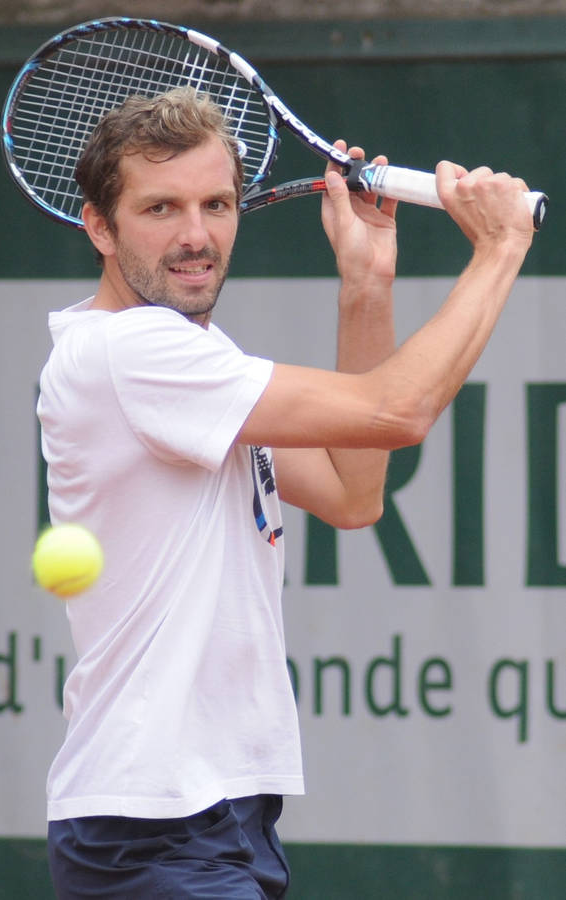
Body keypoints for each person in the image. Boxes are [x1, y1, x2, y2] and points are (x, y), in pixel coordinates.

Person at [38, 86, 534, 899]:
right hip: (151, 820)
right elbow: (396, 410)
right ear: (99, 225)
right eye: (160, 208)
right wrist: (498, 249)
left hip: (225, 811)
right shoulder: (132, 353)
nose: (196, 236)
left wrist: (366, 283)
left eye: (216, 204)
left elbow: (351, 493)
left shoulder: (192, 353)